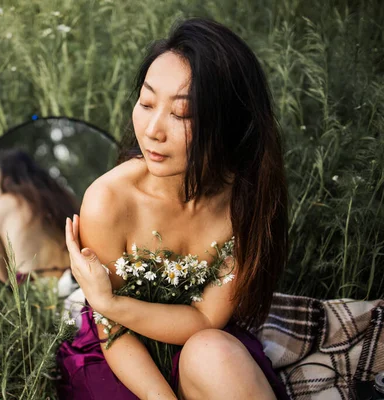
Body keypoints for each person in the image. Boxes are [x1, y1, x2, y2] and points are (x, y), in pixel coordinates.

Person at [56, 18, 290, 400]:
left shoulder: (245, 201)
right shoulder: (110, 201)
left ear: (228, 123)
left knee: (214, 353)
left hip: (197, 335)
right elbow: (112, 329)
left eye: (181, 114)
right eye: (147, 103)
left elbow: (204, 319)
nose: (152, 130)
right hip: (117, 350)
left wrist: (110, 300)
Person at [0, 149, 79, 284]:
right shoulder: (57, 200)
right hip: (82, 283)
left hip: (47, 297)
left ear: (7, 182)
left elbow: (4, 288)